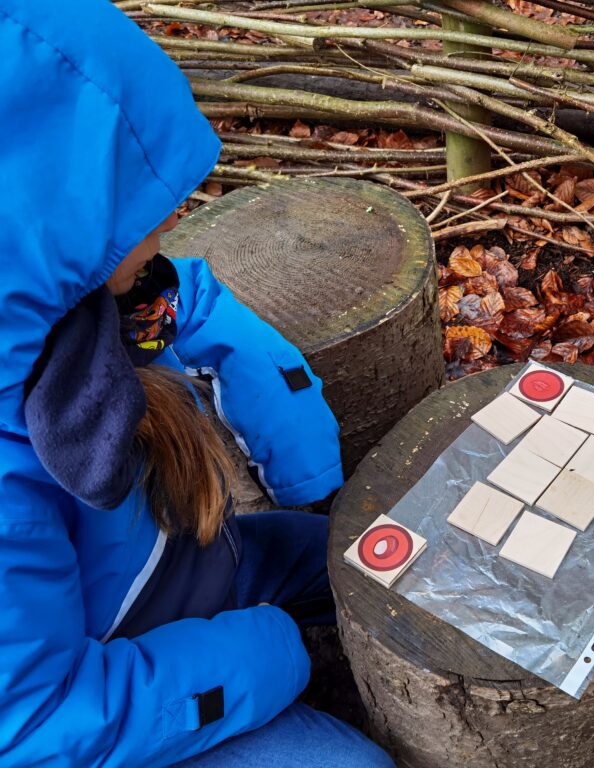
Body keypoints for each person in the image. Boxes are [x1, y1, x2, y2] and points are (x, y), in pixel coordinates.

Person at [0, 1, 393, 765]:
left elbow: (195, 299)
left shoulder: (99, 301)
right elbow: (35, 723)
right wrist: (268, 658)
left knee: (383, 555)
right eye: (131, 200)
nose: (171, 214)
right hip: (99, 701)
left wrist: (312, 474)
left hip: (188, 565)